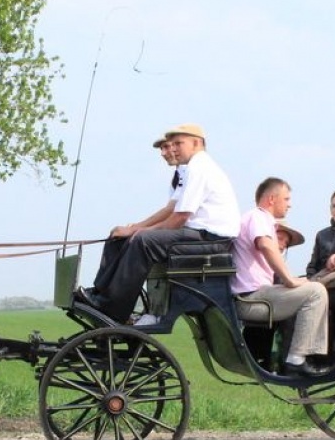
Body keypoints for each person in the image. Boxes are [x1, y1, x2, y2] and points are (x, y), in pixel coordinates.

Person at [75, 123, 241, 324]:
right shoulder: (192, 169)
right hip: (199, 235)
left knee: (143, 241)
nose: (173, 149)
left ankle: (114, 308)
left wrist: (143, 232)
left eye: (178, 143)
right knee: (119, 239)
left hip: (212, 239)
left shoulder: (200, 167)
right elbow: (171, 209)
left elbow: (180, 217)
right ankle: (100, 294)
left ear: (197, 143)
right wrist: (134, 228)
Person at [231, 177, 329, 376]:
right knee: (316, 292)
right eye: (286, 199)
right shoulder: (259, 217)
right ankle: (297, 358)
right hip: (251, 299)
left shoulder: (253, 218)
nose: (289, 204)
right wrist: (289, 280)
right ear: (272, 199)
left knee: (310, 288)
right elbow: (266, 245)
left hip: (252, 295)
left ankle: (296, 356)